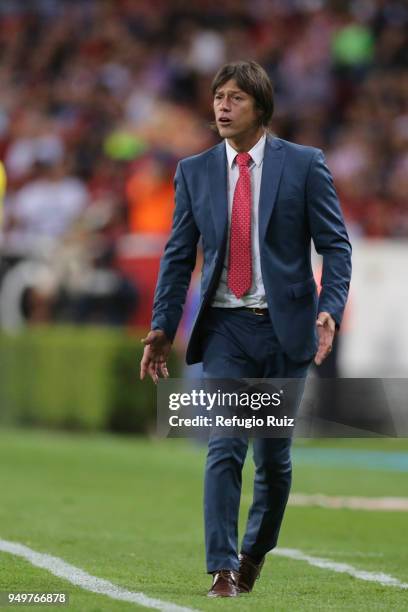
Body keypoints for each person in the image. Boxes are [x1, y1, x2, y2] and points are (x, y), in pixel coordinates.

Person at [140, 61, 351, 597]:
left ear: (260, 106)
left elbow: (335, 245)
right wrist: (162, 325)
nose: (222, 106)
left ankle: (254, 551)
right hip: (227, 329)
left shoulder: (304, 164)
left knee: (274, 462)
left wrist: (330, 307)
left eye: (235, 97)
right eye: (217, 97)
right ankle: (222, 569)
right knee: (224, 445)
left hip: (287, 332)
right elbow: (178, 254)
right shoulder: (194, 171)